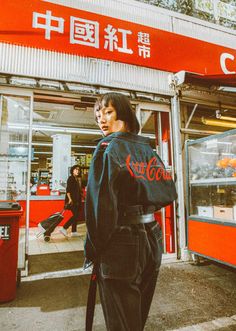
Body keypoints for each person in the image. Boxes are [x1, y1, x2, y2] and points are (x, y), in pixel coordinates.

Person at [84, 92, 177, 331]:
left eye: (107, 112)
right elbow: (167, 192)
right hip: (152, 238)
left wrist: (93, 249)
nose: (101, 120)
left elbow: (100, 208)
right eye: (97, 115)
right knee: (136, 317)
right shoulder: (147, 149)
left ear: (123, 113)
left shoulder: (107, 148)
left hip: (120, 243)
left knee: (122, 321)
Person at [60, 165, 82, 237]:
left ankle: (74, 231)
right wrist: (70, 199)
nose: (77, 171)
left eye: (78, 170)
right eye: (76, 169)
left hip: (77, 200)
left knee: (76, 215)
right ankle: (64, 228)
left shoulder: (77, 179)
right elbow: (68, 190)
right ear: (72, 170)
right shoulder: (71, 178)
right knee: (76, 215)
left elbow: (78, 190)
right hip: (72, 201)